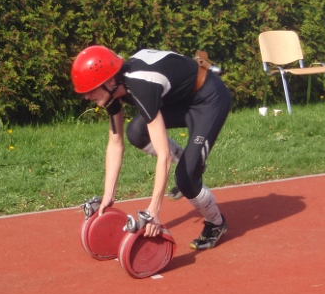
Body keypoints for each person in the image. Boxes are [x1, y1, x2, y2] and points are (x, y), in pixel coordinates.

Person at [71, 46, 231, 250]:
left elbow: (163, 155)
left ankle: (216, 223)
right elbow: (115, 142)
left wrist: (154, 209)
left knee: (185, 178)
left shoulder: (142, 86)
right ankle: (189, 160)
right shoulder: (114, 90)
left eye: (91, 89)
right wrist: (108, 195)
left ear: (110, 81)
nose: (86, 97)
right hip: (182, 101)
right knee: (136, 131)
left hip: (210, 100)